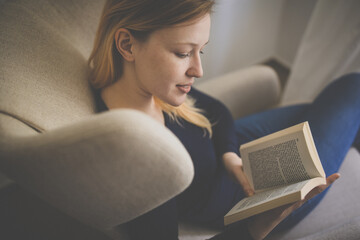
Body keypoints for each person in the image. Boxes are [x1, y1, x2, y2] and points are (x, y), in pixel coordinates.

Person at [88, 0, 359, 239]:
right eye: (183, 53)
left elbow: (215, 111)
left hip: (235, 148)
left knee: (331, 104)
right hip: (249, 197)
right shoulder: (142, 161)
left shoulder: (147, 87)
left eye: (201, 51)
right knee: (353, 88)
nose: (199, 70)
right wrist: (262, 222)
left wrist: (229, 155)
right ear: (127, 45)